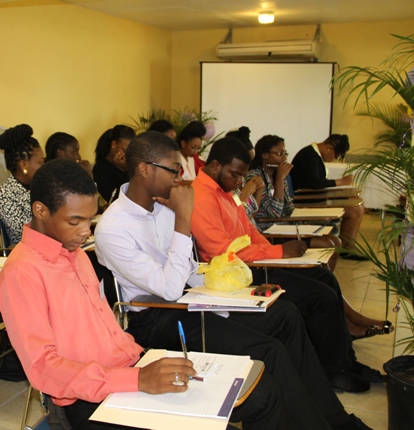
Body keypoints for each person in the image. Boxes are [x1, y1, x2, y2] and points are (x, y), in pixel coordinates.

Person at [95, 131, 371, 430]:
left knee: (285, 315)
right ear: (144, 169)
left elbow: (189, 270)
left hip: (191, 300)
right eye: (173, 170)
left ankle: (333, 418)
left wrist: (233, 293)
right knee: (268, 350)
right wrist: (183, 219)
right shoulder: (113, 228)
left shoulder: (162, 209)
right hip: (159, 319)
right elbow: (169, 289)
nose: (180, 179)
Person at [0, 159, 197, 430]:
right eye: (75, 221)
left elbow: (104, 325)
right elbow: (43, 368)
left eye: (90, 219)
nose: (86, 231)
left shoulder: (75, 252)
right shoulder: (21, 274)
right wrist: (136, 380)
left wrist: (141, 363)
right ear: (41, 211)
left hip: (126, 367)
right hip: (84, 398)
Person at [190, 137, 383, 392]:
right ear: (215, 166)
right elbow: (222, 252)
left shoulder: (225, 191)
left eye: (241, 176)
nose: (239, 183)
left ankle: (347, 359)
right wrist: (279, 250)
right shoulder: (201, 196)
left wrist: (276, 252)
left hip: (252, 263)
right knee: (320, 297)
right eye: (235, 175)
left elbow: (249, 230)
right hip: (236, 276)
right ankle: (332, 369)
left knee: (324, 277)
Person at [246, 135, 393, 340]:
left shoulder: (276, 173)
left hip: (280, 227)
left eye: (285, 153)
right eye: (279, 153)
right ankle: (348, 319)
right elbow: (272, 213)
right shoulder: (255, 177)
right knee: (327, 244)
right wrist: (279, 181)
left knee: (334, 243)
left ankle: (346, 318)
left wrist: (281, 183)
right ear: (264, 155)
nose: (284, 157)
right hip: (267, 235)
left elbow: (287, 208)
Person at [290, 135, 365, 259]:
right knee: (354, 210)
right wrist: (342, 182)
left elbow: (318, 182)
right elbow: (316, 183)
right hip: (306, 201)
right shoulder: (309, 156)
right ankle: (345, 248)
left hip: (315, 198)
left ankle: (347, 246)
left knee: (358, 205)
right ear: (329, 148)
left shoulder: (314, 155)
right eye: (336, 156)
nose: (333, 159)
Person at [0, 123, 45, 246]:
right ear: (24, 165)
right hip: (28, 254)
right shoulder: (4, 195)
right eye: (41, 162)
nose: (44, 167)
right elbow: (25, 233)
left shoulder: (43, 187)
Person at [92, 124, 136, 203]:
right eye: (125, 150)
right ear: (114, 144)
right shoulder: (100, 169)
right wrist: (126, 170)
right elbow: (115, 199)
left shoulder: (129, 164)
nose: (128, 154)